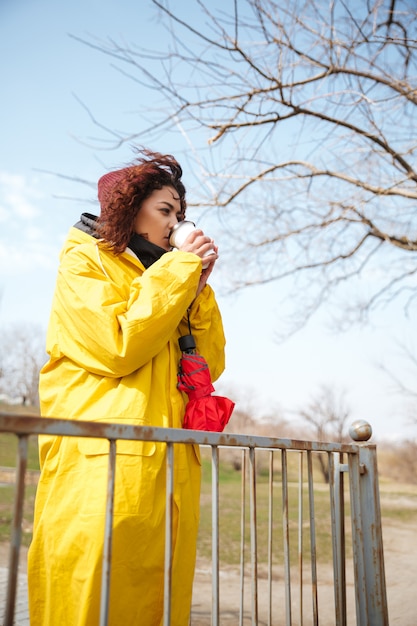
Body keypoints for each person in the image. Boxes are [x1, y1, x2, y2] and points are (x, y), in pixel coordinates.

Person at [27, 149, 227, 626]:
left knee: (154, 603)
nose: (177, 222)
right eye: (166, 210)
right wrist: (179, 271)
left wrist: (197, 291)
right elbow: (119, 347)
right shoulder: (84, 263)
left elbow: (210, 365)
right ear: (126, 209)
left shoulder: (169, 275)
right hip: (104, 470)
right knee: (91, 597)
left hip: (168, 472)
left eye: (181, 214)